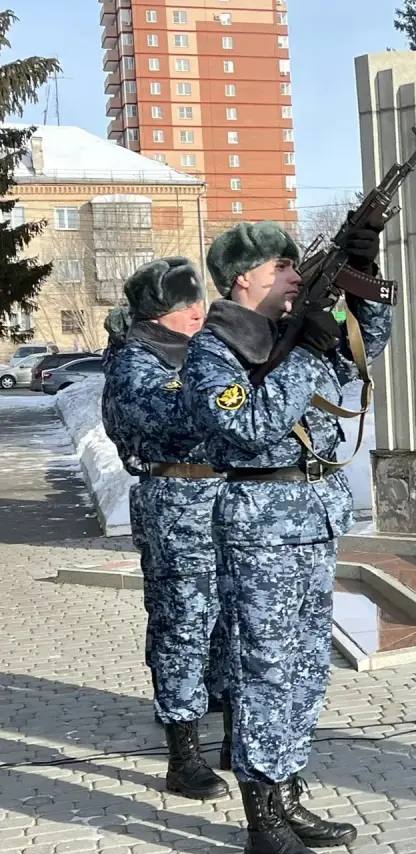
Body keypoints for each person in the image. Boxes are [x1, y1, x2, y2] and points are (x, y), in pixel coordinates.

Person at [181, 220, 389, 854]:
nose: (295, 275)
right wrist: (305, 352)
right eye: (281, 266)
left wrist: (363, 276)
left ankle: (288, 794)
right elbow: (248, 426)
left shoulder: (289, 332)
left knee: (305, 669)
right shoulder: (213, 352)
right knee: (263, 674)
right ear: (244, 277)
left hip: (310, 521)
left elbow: (368, 347)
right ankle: (261, 825)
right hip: (261, 525)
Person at [100, 257, 230, 800]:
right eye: (184, 304)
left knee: (226, 619)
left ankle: (230, 727)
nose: (198, 311)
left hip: (221, 500)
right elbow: (186, 421)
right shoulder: (137, 365)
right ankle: (184, 755)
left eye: (198, 300)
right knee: (183, 625)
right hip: (176, 502)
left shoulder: (196, 352)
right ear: (157, 313)